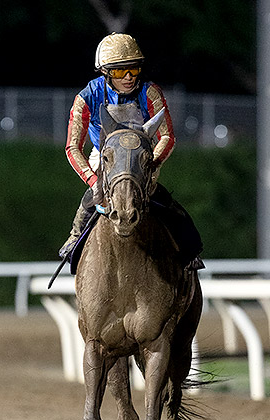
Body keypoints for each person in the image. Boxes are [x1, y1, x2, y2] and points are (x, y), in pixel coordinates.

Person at [59, 32, 203, 270]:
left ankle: (191, 250)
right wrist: (93, 179)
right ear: (105, 72)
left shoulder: (150, 93)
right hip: (105, 157)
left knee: (166, 203)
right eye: (119, 71)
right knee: (91, 199)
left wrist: (151, 163)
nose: (128, 77)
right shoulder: (86, 97)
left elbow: (167, 136)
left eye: (133, 70)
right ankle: (75, 239)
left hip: (142, 158)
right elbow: (73, 146)